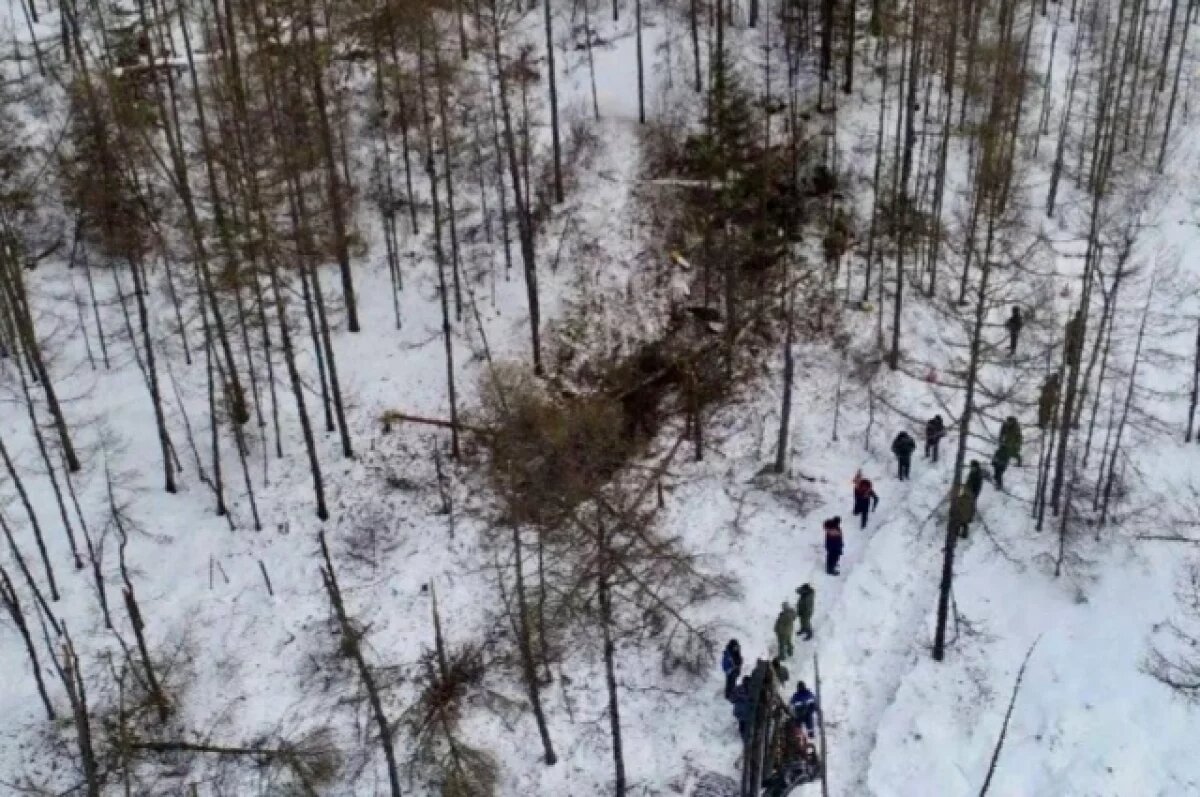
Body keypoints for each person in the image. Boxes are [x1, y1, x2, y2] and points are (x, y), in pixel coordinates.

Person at [732, 677, 752, 741]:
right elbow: (732, 698)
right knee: (743, 726)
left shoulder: (738, 688)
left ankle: (745, 739)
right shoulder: (752, 690)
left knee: (744, 726)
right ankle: (745, 739)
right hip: (743, 712)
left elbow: (732, 699)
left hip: (743, 712)